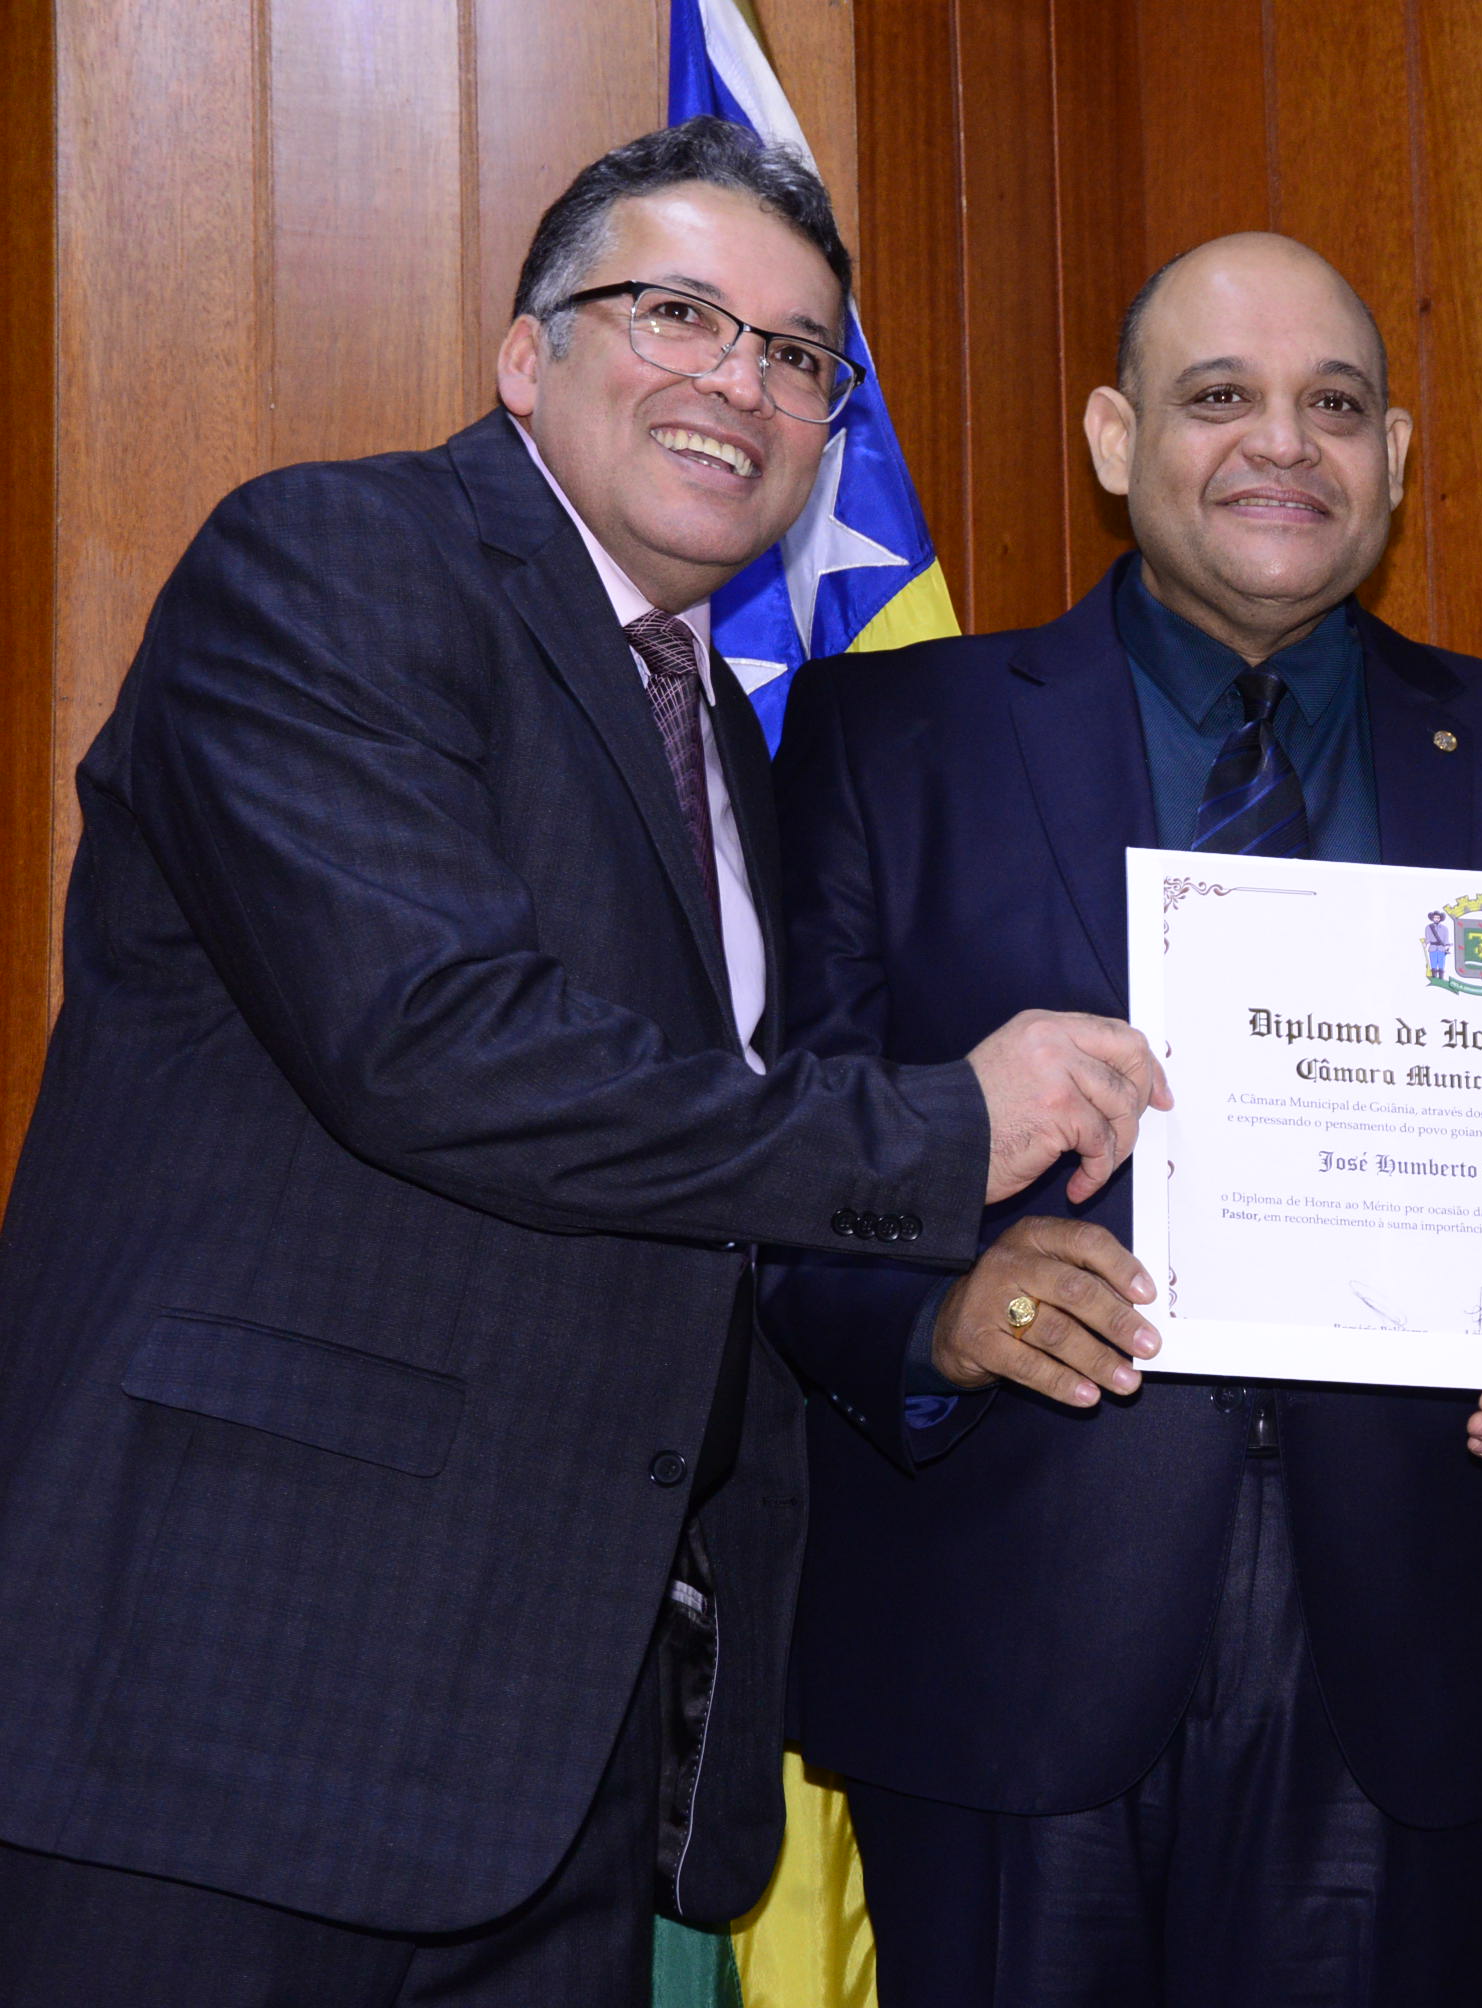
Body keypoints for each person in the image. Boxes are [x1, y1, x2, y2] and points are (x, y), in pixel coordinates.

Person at [0, 121, 1166, 2006]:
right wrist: (946, 1126)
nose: (741, 382)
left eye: (798, 355)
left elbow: (706, 1184)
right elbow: (435, 1046)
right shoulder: (332, 565)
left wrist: (940, 1308)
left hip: (547, 1754)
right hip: (218, 1711)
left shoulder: (725, 742)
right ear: (525, 357)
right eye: (677, 314)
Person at [760, 231, 1482, 2008]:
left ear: (1392, 458)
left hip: (1401, 1649)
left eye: (1334, 405)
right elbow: (781, 1138)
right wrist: (932, 1312)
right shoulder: (891, 733)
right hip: (999, 1633)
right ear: (1115, 440)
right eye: (1218, 397)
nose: (1282, 444)